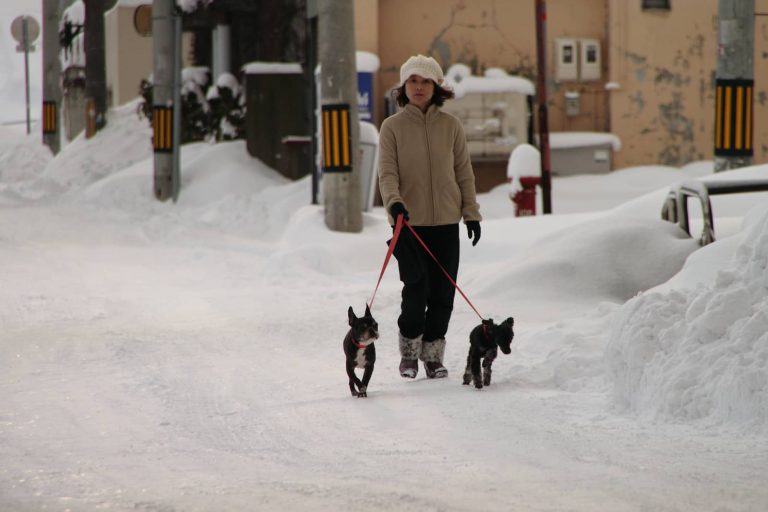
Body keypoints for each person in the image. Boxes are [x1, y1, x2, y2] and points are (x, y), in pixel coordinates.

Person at [378, 54, 482, 379]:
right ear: (404, 86)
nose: (419, 87)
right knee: (415, 291)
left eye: (425, 82)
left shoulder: (451, 126)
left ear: (436, 87)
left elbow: (463, 172)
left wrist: (471, 214)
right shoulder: (392, 127)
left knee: (442, 295)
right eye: (413, 81)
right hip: (409, 224)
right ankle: (409, 354)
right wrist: (394, 204)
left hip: (447, 223)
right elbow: (387, 174)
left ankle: (433, 356)